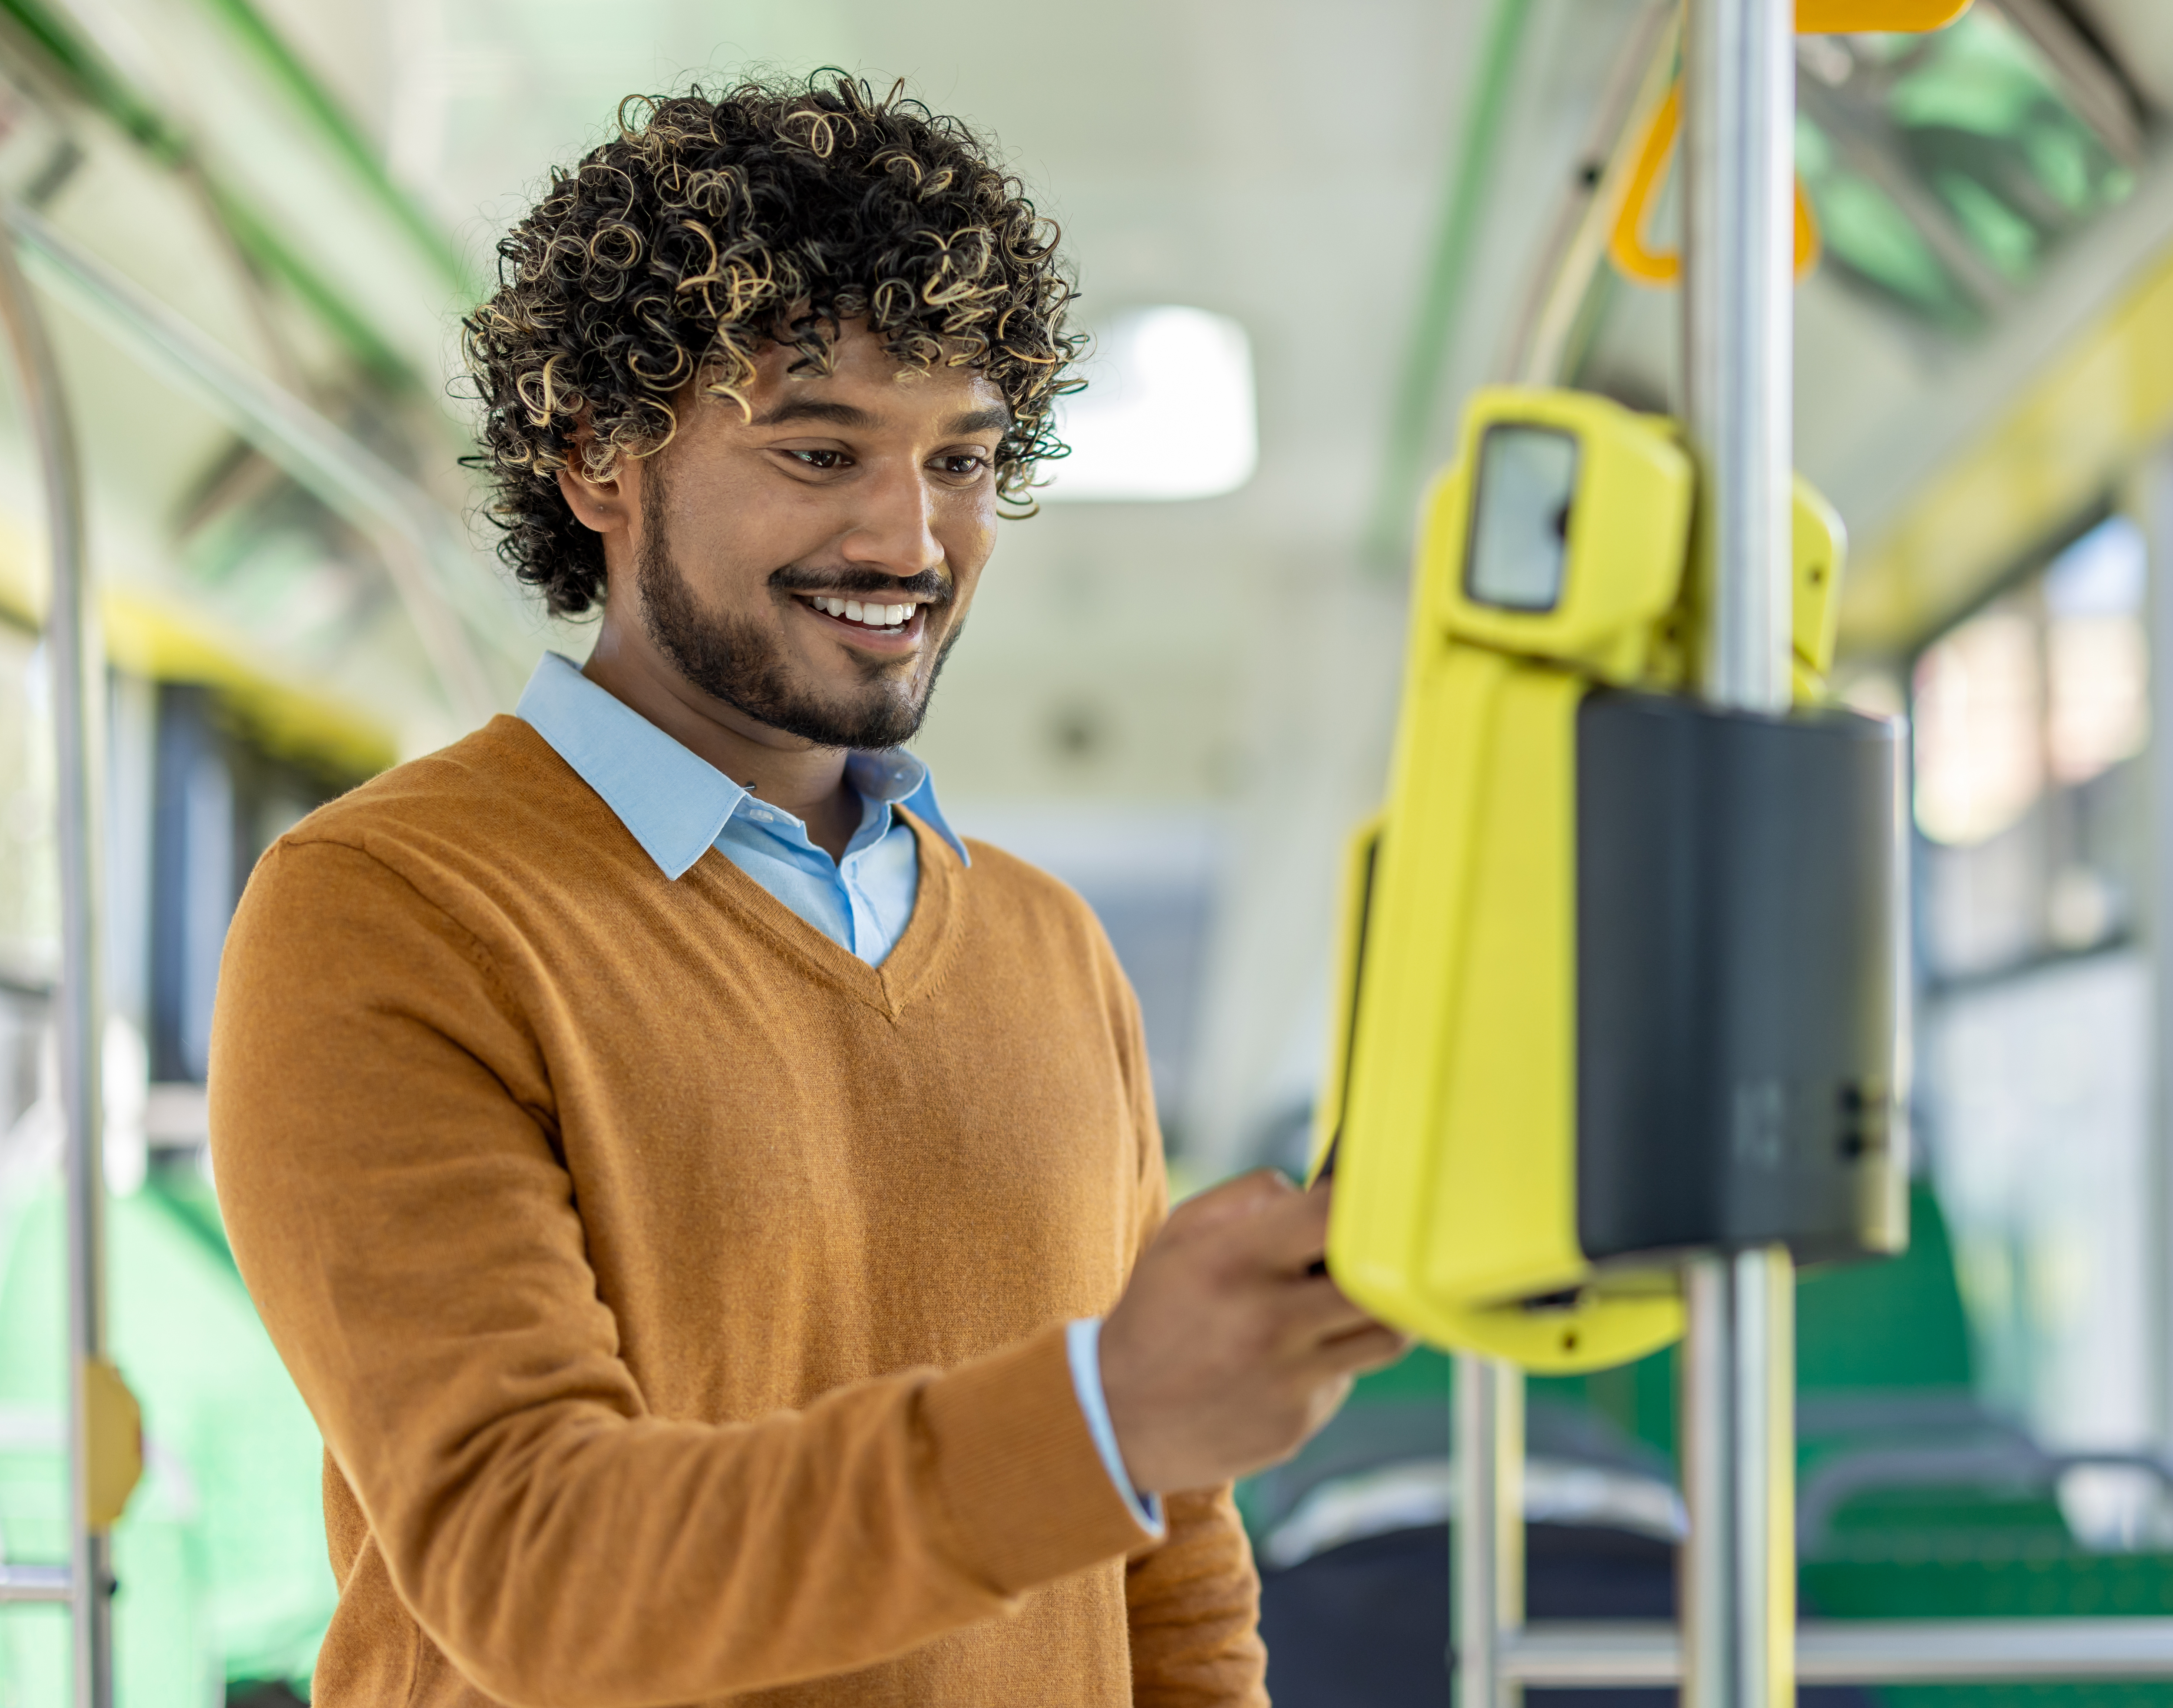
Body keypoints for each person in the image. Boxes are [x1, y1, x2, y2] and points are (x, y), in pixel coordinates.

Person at [208, 75, 1404, 1708]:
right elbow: (531, 1568)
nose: (908, 537)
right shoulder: (387, 912)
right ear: (595, 459)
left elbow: (1168, 1564)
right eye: (820, 447)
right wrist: (1099, 1415)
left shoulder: (1050, 950)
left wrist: (1132, 1432)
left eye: (962, 460)